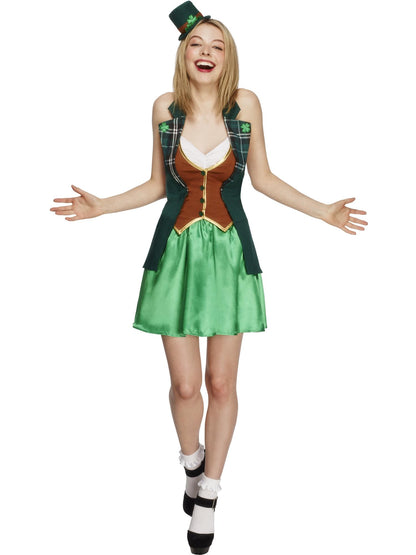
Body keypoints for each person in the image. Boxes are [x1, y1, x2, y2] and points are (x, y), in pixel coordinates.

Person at [50, 2, 368, 553]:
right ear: (183, 54)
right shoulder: (163, 108)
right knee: (185, 386)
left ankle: (210, 492)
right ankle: (191, 459)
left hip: (229, 257)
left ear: (228, 59)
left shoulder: (245, 105)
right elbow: (158, 185)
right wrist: (101, 207)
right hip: (174, 256)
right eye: (198, 44)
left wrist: (324, 212)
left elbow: (263, 178)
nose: (207, 53)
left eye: (218, 46)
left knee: (221, 384)